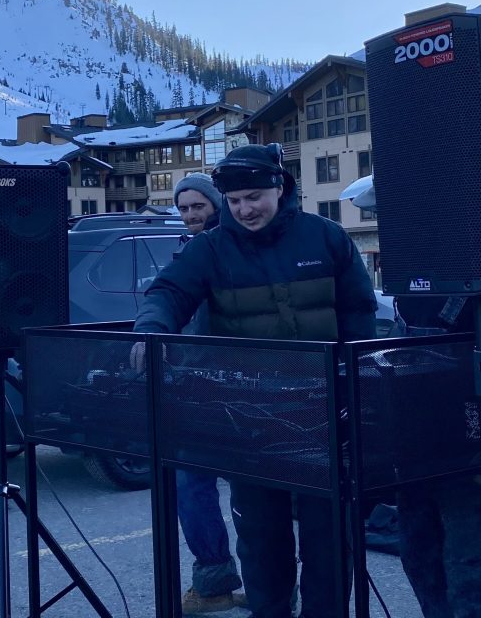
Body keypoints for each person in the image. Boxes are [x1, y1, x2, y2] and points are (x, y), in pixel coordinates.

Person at [132, 144, 377, 618]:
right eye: (235, 200)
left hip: (323, 421)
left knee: (329, 550)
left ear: (279, 187)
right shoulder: (210, 248)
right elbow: (167, 293)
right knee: (262, 551)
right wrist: (152, 329)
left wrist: (356, 383)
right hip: (248, 424)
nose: (245, 209)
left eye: (253, 196)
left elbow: (359, 316)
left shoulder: (327, 238)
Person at [169, 175, 246, 615]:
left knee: (240, 490)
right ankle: (222, 581)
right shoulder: (191, 250)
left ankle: (248, 581)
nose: (192, 214)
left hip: (230, 385)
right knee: (194, 483)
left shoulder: (227, 250)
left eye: (199, 205)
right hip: (198, 385)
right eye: (184, 208)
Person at [392, 293, 481, 618]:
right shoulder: (409, 283)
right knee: (417, 553)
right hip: (415, 446)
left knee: (467, 563)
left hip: (467, 451)